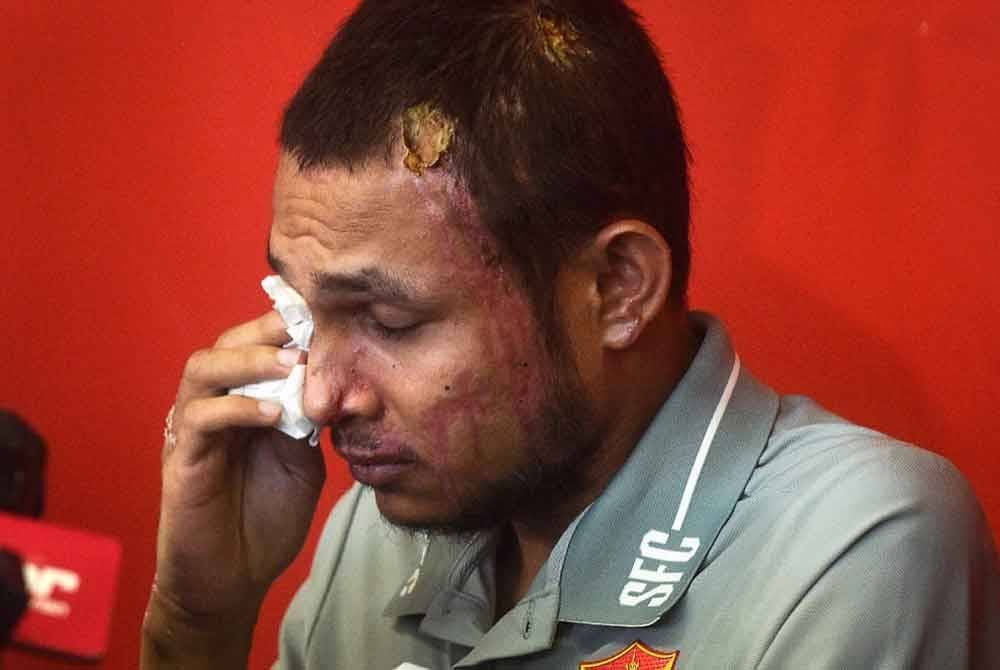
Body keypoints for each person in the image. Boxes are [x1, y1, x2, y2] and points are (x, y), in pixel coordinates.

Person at [140, 1, 1000, 668]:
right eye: (301, 312)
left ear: (617, 289)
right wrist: (198, 622)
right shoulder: (380, 527)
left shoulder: (855, 545)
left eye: (389, 321)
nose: (323, 394)